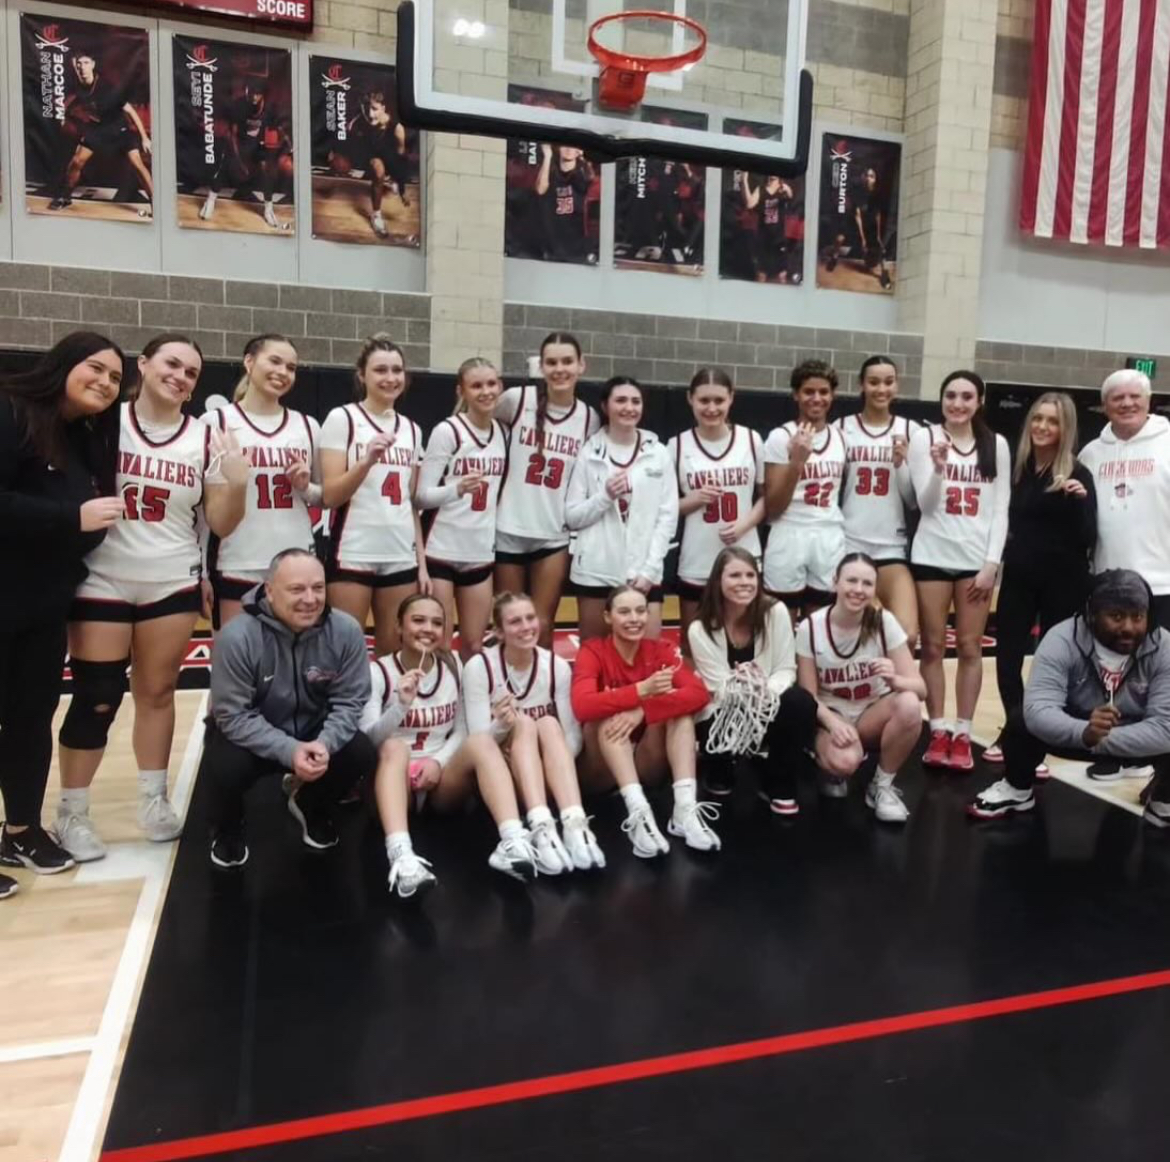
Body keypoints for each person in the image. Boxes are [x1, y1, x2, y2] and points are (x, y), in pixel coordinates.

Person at [55, 335, 249, 862]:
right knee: (97, 697)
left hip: (171, 578)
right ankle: (71, 812)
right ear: (143, 365)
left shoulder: (206, 437)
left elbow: (224, 524)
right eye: (172, 364)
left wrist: (238, 482)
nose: (181, 376)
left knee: (158, 692)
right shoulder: (103, 420)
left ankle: (154, 801)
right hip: (103, 575)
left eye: (191, 371)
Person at [0, 333, 125, 894]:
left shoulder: (84, 439)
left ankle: (21, 829)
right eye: (95, 368)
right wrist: (71, 519)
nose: (104, 382)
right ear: (64, 364)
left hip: (44, 603)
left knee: (32, 718)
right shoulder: (12, 410)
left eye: (114, 379)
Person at [200, 549, 375, 868]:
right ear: (269, 590)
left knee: (360, 751)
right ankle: (228, 827)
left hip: (314, 734)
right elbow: (233, 715)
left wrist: (325, 744)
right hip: (255, 738)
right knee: (222, 758)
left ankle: (310, 802)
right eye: (297, 589)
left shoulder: (346, 630)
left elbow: (350, 701)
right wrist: (289, 750)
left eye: (318, 588)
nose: (310, 599)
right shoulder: (237, 637)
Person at [363, 594, 539, 898]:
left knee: (481, 741)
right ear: (398, 627)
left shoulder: (455, 666)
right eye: (418, 620)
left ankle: (511, 841)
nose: (428, 628)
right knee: (395, 748)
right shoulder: (378, 672)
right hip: (392, 782)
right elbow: (368, 742)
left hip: (439, 781)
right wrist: (400, 706)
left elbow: (462, 732)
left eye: (437, 622)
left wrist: (439, 763)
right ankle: (402, 856)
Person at [970, 569, 1170, 829]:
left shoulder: (1163, 646)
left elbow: (1166, 726)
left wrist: (1103, 738)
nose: (1128, 628)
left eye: (1137, 617)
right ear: (1092, 614)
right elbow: (1039, 710)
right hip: (1076, 732)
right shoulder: (1061, 639)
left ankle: (1163, 802)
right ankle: (1017, 789)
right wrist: (1084, 733)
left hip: (1131, 736)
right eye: (1116, 617)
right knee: (1021, 720)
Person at [982, 393, 1096, 770]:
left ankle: (1038, 737)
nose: (1043, 427)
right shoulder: (1019, 469)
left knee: (1050, 664)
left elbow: (1088, 536)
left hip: (1064, 581)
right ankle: (1018, 728)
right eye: (1038, 419)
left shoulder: (1078, 473)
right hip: (1019, 576)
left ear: (1065, 429)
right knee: (1007, 657)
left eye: (1052, 421)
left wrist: (1078, 502)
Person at [909, 371, 1010, 772]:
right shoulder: (925, 439)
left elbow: (1001, 508)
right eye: (950, 395)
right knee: (933, 646)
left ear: (979, 401)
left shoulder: (995, 444)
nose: (958, 403)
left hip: (975, 562)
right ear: (941, 399)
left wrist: (991, 565)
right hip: (932, 554)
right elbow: (925, 504)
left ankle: (963, 732)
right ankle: (937, 728)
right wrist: (937, 469)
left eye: (967, 396)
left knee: (970, 646)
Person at [463, 592, 604, 873]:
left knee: (550, 725)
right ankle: (540, 826)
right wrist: (503, 724)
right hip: (501, 777)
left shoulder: (556, 666)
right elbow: (480, 742)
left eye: (530, 618)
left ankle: (574, 825)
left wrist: (546, 764)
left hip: (551, 776)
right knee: (524, 724)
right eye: (515, 621)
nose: (527, 627)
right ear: (499, 632)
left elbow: (573, 738)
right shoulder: (480, 667)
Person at [572, 585, 715, 857]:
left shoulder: (661, 649)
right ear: (607, 617)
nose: (634, 618)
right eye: (624, 612)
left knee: (681, 714)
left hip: (647, 764)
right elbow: (582, 705)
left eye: (640, 611)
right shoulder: (593, 651)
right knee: (607, 717)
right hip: (600, 771)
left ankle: (684, 810)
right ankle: (637, 811)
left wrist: (642, 710)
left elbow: (699, 694)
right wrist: (641, 690)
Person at [687, 548, 819, 813]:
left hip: (766, 700)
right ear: (718, 581)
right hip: (724, 710)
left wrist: (762, 690)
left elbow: (785, 670)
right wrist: (749, 687)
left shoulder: (776, 612)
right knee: (710, 714)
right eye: (735, 575)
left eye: (750, 575)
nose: (744, 582)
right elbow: (718, 687)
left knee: (801, 703)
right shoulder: (699, 629)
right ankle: (721, 764)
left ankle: (777, 781)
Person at [795, 554, 924, 821]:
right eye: (851, 580)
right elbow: (807, 696)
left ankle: (882, 785)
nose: (858, 589)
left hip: (870, 715)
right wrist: (832, 723)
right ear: (835, 583)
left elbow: (920, 688)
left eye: (867, 583)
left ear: (874, 589)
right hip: (831, 713)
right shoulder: (811, 627)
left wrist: (895, 680)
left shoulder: (883, 621)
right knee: (844, 763)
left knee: (909, 703)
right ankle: (826, 763)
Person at [321, 335, 428, 656]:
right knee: (346, 654)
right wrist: (367, 460)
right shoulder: (343, 418)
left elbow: (411, 504)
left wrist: (421, 564)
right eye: (381, 369)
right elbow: (331, 495)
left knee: (394, 654)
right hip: (353, 550)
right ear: (362, 375)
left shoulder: (411, 428)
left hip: (399, 554)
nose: (391, 377)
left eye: (397, 370)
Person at [205, 334, 320, 630]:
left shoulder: (307, 426)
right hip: (238, 561)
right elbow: (208, 513)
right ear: (249, 361)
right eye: (275, 361)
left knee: (294, 663)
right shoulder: (216, 422)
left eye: (291, 367)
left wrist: (306, 486)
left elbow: (323, 498)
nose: (283, 372)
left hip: (295, 563)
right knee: (236, 664)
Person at [494, 332, 599, 647]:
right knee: (510, 623)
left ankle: (542, 693)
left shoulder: (589, 418)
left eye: (567, 361)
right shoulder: (517, 400)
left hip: (553, 533)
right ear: (541, 367)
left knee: (541, 624)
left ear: (581, 365)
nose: (560, 369)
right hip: (508, 528)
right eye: (551, 362)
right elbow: (477, 424)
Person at [565, 377, 679, 641]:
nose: (629, 407)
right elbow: (572, 517)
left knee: (647, 657)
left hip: (644, 573)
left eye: (635, 401)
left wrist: (649, 571)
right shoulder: (589, 452)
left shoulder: (658, 453)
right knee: (594, 655)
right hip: (595, 572)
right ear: (605, 406)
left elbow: (667, 517)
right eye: (620, 400)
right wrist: (605, 496)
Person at [416, 357, 508, 659]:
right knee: (440, 645)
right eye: (476, 385)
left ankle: (469, 706)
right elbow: (421, 496)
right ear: (461, 391)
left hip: (479, 553)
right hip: (441, 550)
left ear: (500, 387)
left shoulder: (503, 434)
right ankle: (437, 705)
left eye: (491, 383)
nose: (485, 391)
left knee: (473, 645)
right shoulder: (449, 431)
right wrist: (456, 488)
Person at [667, 369, 766, 651]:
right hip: (697, 558)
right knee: (693, 644)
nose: (711, 408)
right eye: (704, 400)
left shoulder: (751, 440)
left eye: (719, 400)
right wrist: (692, 500)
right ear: (690, 399)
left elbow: (767, 498)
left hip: (744, 554)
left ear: (731, 399)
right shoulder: (675, 446)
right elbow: (662, 509)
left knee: (746, 640)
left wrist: (745, 524)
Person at [837, 356, 919, 645]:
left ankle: (898, 691)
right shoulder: (841, 429)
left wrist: (901, 465)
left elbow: (912, 501)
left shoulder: (913, 431)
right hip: (851, 544)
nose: (881, 389)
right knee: (878, 632)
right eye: (873, 382)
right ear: (861, 385)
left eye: (888, 382)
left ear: (896, 386)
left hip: (892, 546)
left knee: (907, 636)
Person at [1079, 370, 1170, 629]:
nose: (1127, 403)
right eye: (1117, 398)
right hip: (1106, 584)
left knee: (1160, 667)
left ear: (1149, 401)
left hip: (1162, 584)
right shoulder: (1091, 454)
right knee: (1110, 666)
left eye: (1134, 396)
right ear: (1105, 406)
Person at [763, 360, 848, 618]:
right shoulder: (781, 437)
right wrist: (796, 462)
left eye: (823, 392)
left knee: (820, 625)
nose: (817, 398)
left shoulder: (841, 436)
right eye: (809, 391)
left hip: (828, 534)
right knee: (779, 625)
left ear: (832, 395)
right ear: (796, 394)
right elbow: (774, 507)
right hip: (789, 531)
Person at [50, 50, 154, 214]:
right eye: (79, 64)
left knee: (137, 165)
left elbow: (130, 111)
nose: (82, 67)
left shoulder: (106, 87)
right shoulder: (78, 84)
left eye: (85, 63)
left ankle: (156, 204)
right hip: (99, 129)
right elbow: (75, 98)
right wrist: (65, 114)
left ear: (92, 65)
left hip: (119, 129)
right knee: (76, 161)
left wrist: (144, 138)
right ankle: (65, 197)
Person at [199, 82, 292, 231]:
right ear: (247, 92)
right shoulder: (239, 106)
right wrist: (239, 161)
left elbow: (278, 127)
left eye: (258, 94)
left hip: (256, 146)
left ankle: (268, 209)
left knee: (266, 169)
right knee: (225, 168)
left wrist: (287, 141)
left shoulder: (268, 110)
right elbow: (232, 135)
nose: (254, 97)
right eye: (252, 94)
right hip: (238, 144)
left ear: (262, 96)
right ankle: (210, 200)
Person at [346, 89, 412, 239]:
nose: (371, 114)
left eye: (375, 109)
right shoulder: (364, 121)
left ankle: (391, 181)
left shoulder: (397, 129)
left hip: (391, 160)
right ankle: (376, 216)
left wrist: (402, 189)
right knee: (378, 170)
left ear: (383, 108)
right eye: (369, 108)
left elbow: (401, 158)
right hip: (372, 157)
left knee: (391, 170)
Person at [535, 144, 597, 264]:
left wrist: (583, 158)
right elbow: (540, 189)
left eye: (573, 146)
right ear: (558, 148)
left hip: (578, 247)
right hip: (554, 244)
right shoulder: (551, 172)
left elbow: (591, 180)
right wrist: (547, 157)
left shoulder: (582, 171)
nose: (569, 150)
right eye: (565, 146)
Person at [742, 173, 794, 283]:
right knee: (761, 274)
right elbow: (750, 205)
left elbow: (790, 195)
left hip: (779, 239)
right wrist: (745, 182)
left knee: (782, 274)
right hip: (764, 239)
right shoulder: (761, 189)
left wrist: (785, 188)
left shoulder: (782, 189)